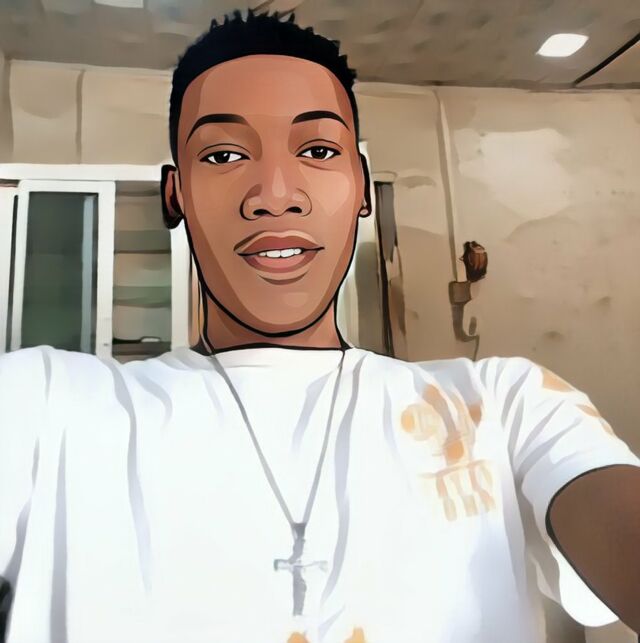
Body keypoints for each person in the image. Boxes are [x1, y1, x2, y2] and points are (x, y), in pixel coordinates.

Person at [0, 10, 639, 643]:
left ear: (361, 187)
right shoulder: (47, 407)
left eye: (317, 150)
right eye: (223, 154)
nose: (275, 194)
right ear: (176, 195)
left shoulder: (505, 406)